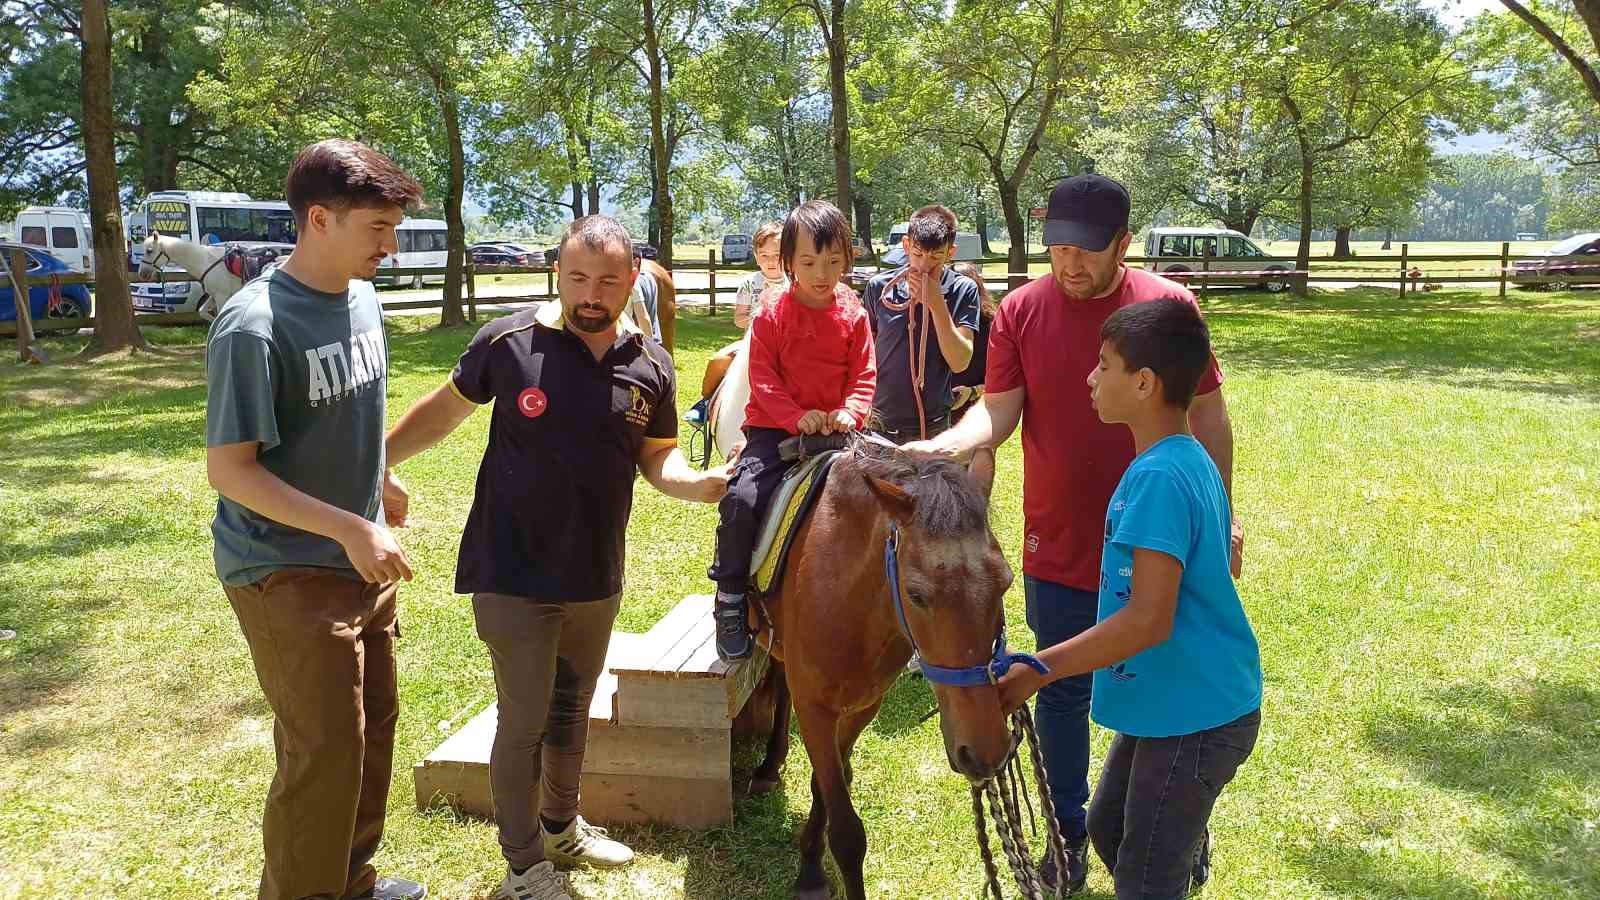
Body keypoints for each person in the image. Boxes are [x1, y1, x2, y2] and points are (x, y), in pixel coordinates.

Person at [906, 174, 1241, 894]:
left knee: (1160, 686)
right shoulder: (1023, 311)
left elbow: (1208, 415)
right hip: (1058, 542)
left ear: (1125, 243)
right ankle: (1068, 832)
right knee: (1060, 694)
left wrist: (1225, 515)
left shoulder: (1167, 309)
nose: (1069, 265)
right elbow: (995, 414)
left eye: (1086, 251)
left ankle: (1174, 827)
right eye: (1057, 248)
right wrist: (935, 450)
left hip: (1161, 545)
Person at [383, 215, 730, 900]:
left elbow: (657, 462)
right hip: (512, 569)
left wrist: (703, 486)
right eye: (577, 277)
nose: (590, 293)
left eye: (606, 279)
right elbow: (445, 410)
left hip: (595, 570)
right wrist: (376, 461)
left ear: (632, 279)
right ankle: (523, 868)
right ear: (558, 274)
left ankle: (561, 827)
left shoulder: (650, 364)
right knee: (525, 716)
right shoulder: (510, 341)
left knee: (572, 708)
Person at [204, 139, 428, 900]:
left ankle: (350, 880)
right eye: (377, 229)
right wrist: (347, 526)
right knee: (325, 751)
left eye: (394, 230)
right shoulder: (254, 326)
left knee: (371, 734)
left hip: (359, 557)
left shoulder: (361, 299)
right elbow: (231, 470)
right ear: (319, 220)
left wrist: (382, 478)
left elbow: (347, 412)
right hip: (285, 569)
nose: (389, 248)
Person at [997, 299, 1261, 900]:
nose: (1091, 378)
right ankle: (1180, 841)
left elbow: (1147, 618)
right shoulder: (1181, 457)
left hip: (1196, 715)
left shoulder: (1160, 479)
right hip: (1172, 702)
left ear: (1143, 383)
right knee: (1108, 825)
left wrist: (1040, 668)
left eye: (1104, 365)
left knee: (1145, 878)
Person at [708, 200, 877, 662]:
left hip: (838, 429)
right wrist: (792, 415)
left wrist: (851, 410)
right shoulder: (770, 313)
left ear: (847, 259)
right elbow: (762, 376)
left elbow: (864, 373)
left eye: (834, 262)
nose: (823, 274)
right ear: (787, 263)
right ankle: (730, 596)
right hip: (773, 428)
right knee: (742, 498)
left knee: (887, 494)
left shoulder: (854, 313)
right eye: (808, 263)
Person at [861, 205, 979, 444]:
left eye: (935, 256)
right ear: (906, 245)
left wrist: (937, 304)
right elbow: (864, 353)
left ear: (950, 252)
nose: (925, 265)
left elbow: (960, 362)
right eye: (918, 253)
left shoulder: (963, 290)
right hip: (880, 424)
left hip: (934, 425)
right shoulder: (879, 288)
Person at [946, 261, 996, 422]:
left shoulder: (993, 325)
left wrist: (973, 391)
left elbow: (1002, 376)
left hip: (978, 409)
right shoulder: (941, 322)